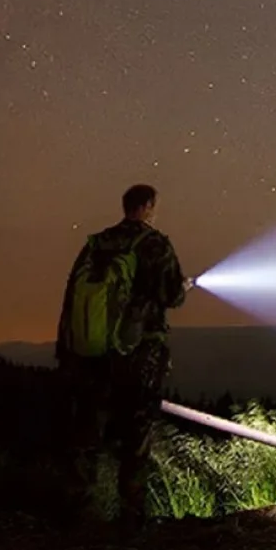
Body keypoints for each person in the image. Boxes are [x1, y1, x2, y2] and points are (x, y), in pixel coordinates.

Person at [54, 184, 193, 532]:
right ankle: (131, 518)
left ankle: (77, 512)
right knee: (135, 437)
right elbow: (171, 294)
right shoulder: (153, 244)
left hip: (88, 354)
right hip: (136, 355)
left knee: (86, 433)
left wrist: (68, 350)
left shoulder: (96, 244)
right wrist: (184, 287)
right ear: (147, 206)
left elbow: (73, 297)